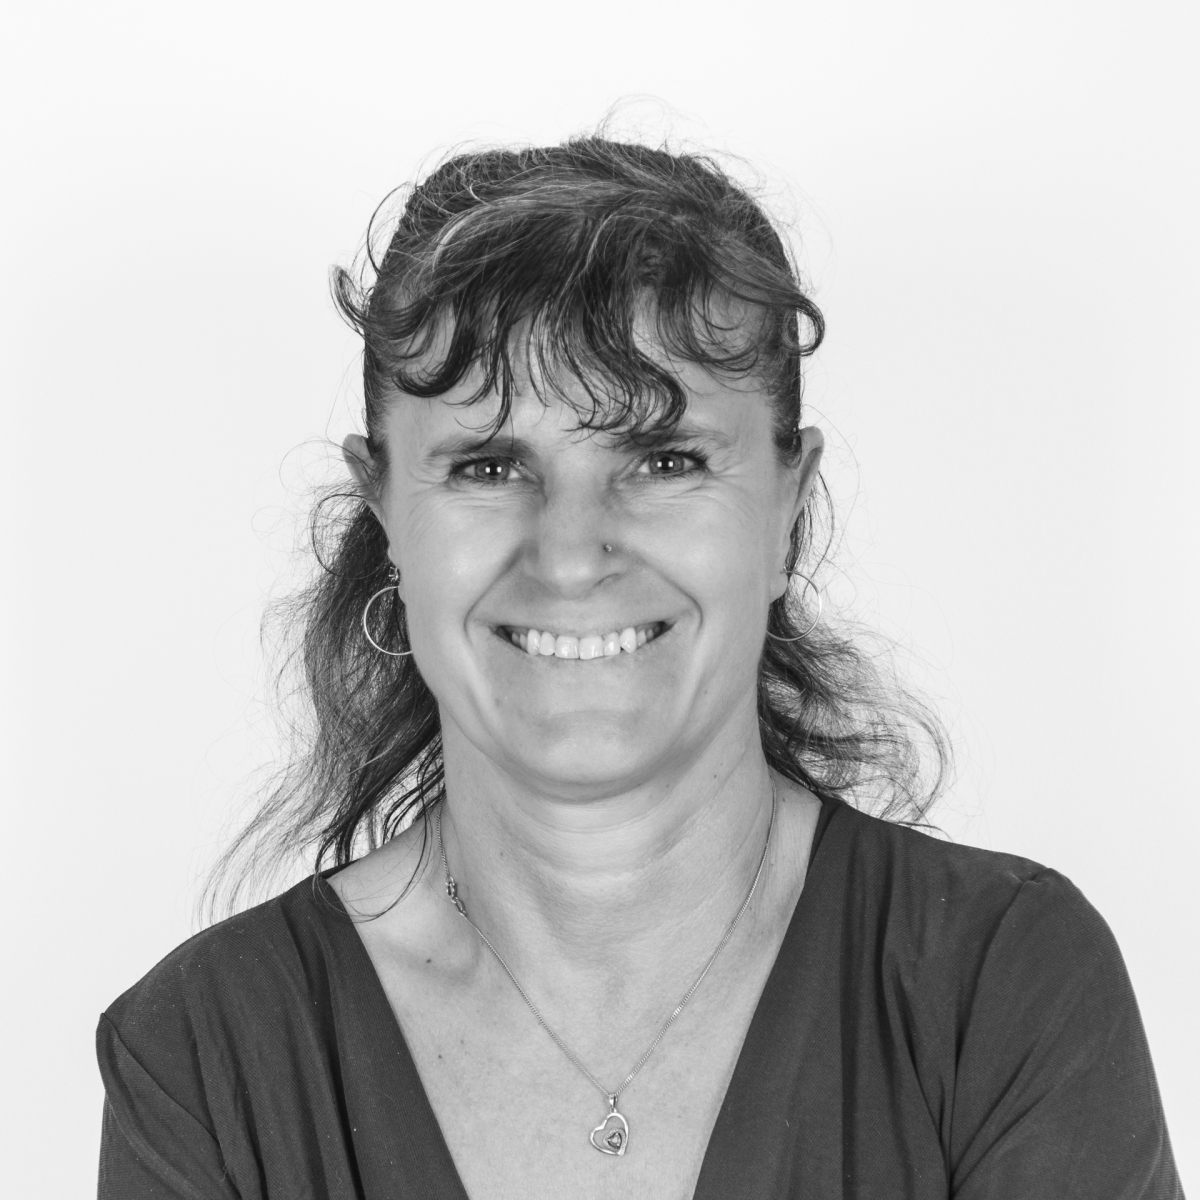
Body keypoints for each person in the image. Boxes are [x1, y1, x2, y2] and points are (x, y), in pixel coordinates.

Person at [95, 136, 1184, 1199]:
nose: (571, 557)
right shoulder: (203, 1061)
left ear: (788, 508)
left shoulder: (999, 985)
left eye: (665, 459)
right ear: (386, 517)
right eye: (488, 466)